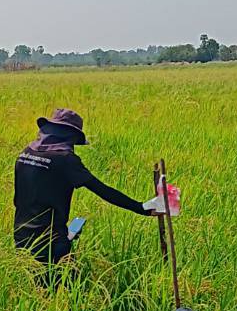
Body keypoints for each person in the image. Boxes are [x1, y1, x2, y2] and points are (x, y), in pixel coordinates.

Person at [13, 107, 164, 266]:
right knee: (65, 285)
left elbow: (18, 199)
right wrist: (141, 208)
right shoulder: (64, 159)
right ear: (70, 136)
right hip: (50, 240)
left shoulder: (25, 154)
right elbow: (101, 190)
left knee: (34, 284)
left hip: (21, 235)